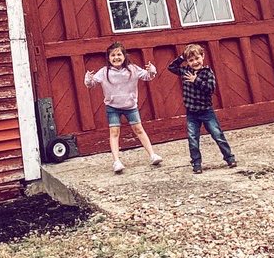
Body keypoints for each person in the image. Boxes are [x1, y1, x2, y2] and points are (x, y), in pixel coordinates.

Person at [84, 42, 162, 174]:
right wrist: (88, 79)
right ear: (108, 58)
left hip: (130, 106)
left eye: (119, 54)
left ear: (125, 56)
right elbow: (91, 84)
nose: (116, 57)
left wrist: (151, 70)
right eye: (112, 55)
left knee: (139, 129)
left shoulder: (133, 69)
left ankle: (153, 155)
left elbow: (148, 76)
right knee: (114, 133)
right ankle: (116, 161)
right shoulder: (104, 72)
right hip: (113, 107)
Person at [168, 43, 236, 174]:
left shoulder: (207, 72)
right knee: (193, 138)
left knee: (218, 135)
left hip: (206, 111)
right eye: (191, 60)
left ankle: (229, 158)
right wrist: (182, 57)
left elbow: (210, 89)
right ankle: (196, 164)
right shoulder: (185, 71)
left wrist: (196, 80)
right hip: (191, 113)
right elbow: (171, 67)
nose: (194, 62)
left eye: (197, 58)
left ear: (203, 56)